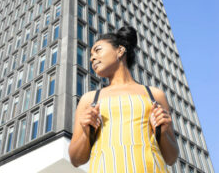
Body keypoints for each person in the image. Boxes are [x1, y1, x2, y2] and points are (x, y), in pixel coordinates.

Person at [68, 25, 179, 172]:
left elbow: (171, 158)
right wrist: (86, 131)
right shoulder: (89, 99)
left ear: (120, 51)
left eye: (98, 50)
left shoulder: (154, 95)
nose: (92, 58)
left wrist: (163, 131)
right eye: (90, 55)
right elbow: (76, 159)